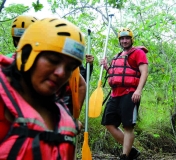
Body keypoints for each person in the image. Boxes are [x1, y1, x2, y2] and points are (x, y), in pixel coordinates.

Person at [0, 18, 85, 159]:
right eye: (53, 60)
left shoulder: (62, 115)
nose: (61, 73)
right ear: (27, 54)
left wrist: (75, 118)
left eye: (69, 68)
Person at [100, 28, 148, 160]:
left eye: (127, 38)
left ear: (131, 40)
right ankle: (131, 151)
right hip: (115, 94)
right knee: (108, 123)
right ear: (119, 41)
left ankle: (125, 156)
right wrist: (106, 67)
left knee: (127, 126)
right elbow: (116, 75)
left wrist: (138, 90)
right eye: (122, 39)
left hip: (130, 93)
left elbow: (144, 72)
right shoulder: (118, 55)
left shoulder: (138, 53)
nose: (124, 41)